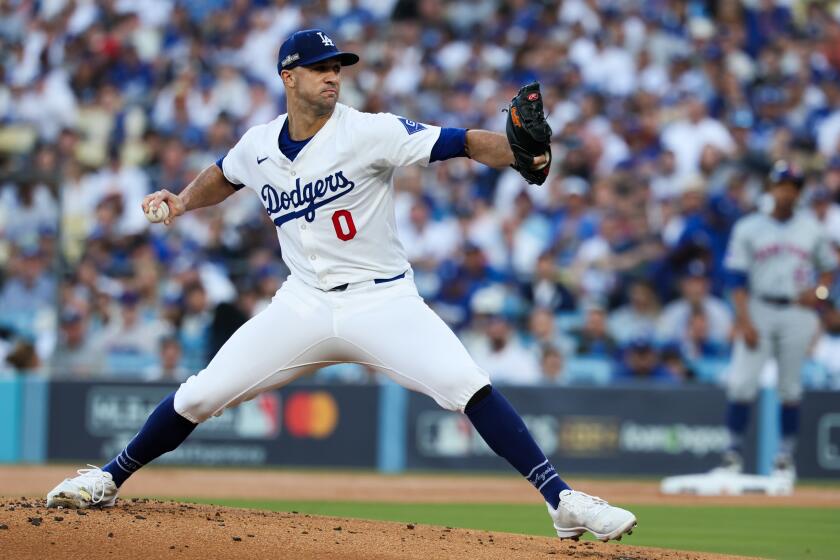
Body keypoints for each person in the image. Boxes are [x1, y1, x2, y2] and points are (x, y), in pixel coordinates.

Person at [45, 29, 635, 543]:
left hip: (383, 300)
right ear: (288, 76)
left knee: (466, 383)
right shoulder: (258, 144)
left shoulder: (368, 131)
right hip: (302, 303)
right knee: (200, 395)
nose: (333, 78)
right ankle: (108, 477)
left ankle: (562, 501)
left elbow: (457, 141)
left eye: (338, 68)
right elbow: (225, 176)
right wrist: (181, 199)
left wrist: (517, 155)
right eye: (321, 69)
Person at [718, 161, 837, 479]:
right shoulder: (748, 227)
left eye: (793, 187)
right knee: (742, 383)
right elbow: (736, 279)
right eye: (781, 185)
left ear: (798, 192)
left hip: (798, 311)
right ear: (771, 189)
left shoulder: (811, 227)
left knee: (790, 388)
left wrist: (821, 292)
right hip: (759, 306)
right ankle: (732, 454)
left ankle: (785, 457)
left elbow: (828, 267)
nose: (787, 192)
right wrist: (744, 321)